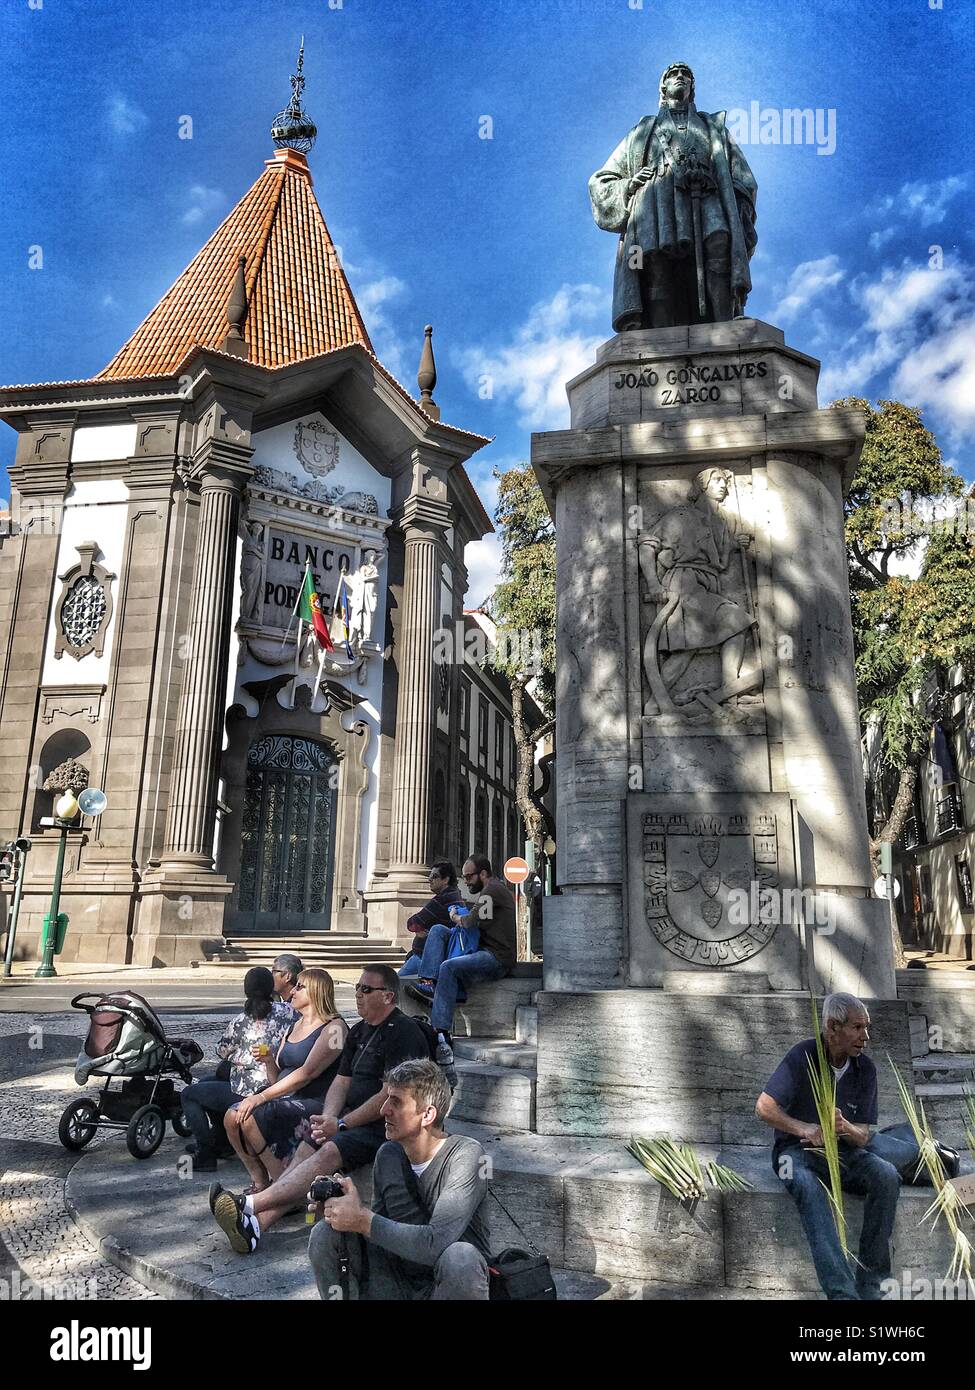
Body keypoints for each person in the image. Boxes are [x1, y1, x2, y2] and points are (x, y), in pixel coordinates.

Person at [210, 966, 432, 1254]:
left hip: (387, 1125)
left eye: (366, 989)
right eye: (357, 988)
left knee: (325, 1151)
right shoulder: (360, 1031)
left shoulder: (403, 1032)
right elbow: (342, 1081)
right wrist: (330, 1117)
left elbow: (387, 1095)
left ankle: (250, 1204)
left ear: (389, 996)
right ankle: (255, 1226)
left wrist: (341, 1125)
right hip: (346, 1118)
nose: (358, 994)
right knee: (304, 1155)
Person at [755, 993, 918, 1301]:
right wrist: (806, 1128)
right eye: (857, 1028)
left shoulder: (865, 1069)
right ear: (832, 1027)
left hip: (844, 1152)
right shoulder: (802, 1056)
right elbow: (764, 1108)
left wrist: (846, 1128)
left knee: (886, 1175)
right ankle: (842, 1295)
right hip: (797, 1153)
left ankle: (873, 1286)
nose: (865, 1037)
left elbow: (865, 1135)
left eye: (866, 1028)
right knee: (807, 1185)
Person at [589, 62, 757, 331]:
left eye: (686, 75)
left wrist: (738, 202)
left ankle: (726, 323)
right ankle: (659, 335)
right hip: (655, 199)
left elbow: (742, 176)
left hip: (707, 194)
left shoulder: (714, 127)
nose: (680, 77)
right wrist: (629, 185)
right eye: (673, 74)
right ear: (663, 87)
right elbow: (602, 179)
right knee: (655, 260)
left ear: (692, 87)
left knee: (719, 240)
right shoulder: (642, 130)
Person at [308, 1058, 490, 1300]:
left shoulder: (468, 1156)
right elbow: (380, 1232)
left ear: (427, 1114)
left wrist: (361, 1219)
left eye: (396, 1102)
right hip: (397, 1281)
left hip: (445, 1284)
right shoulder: (388, 1154)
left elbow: (435, 1244)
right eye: (386, 1099)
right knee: (325, 1234)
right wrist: (342, 1214)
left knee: (461, 1257)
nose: (383, 1110)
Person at [223, 968, 347, 1192]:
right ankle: (260, 1180)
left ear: (316, 991)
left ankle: (283, 1189)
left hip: (316, 1100)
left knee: (250, 1115)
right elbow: (277, 1077)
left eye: (300, 987)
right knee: (232, 1116)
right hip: (287, 1096)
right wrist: (269, 1060)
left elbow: (307, 1073)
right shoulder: (294, 1025)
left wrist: (260, 1097)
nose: (293, 991)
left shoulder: (334, 1027)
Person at [180, 967, 294, 1171]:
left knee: (190, 1094)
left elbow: (221, 1051)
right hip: (278, 1082)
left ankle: (205, 1154)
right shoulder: (288, 1012)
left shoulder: (241, 1021)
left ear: (246, 990)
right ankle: (222, 1142)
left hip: (249, 1090)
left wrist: (241, 1055)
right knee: (207, 1083)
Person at [406, 854, 516, 1045]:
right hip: (482, 949)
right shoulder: (491, 890)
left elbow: (470, 921)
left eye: (468, 877)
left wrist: (456, 916)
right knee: (438, 930)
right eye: (463, 877)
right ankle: (429, 982)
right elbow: (480, 919)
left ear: (482, 873)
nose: (465, 882)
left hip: (496, 957)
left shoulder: (493, 890)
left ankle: (441, 1033)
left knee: (448, 967)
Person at [399, 862, 464, 979]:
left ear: (445, 880)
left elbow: (412, 923)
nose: (429, 880)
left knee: (393, 986)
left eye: (434, 876)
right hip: (441, 956)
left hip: (425, 957)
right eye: (429, 876)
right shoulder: (456, 895)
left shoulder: (442, 899)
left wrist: (419, 928)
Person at [270, 953, 304, 1018]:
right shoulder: (277, 999)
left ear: (288, 976)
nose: (271, 975)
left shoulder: (298, 1006)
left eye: (274, 971)